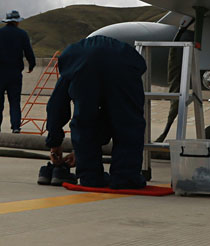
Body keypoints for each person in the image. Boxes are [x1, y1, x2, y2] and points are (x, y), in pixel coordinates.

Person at [45, 34, 147, 189]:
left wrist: (55, 142)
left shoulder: (75, 61)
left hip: (85, 65)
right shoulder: (120, 56)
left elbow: (56, 106)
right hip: (123, 66)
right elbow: (122, 117)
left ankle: (90, 177)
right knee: (128, 123)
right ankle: (125, 177)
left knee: (84, 120)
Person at [0, 9, 37, 133]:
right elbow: (28, 52)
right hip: (15, 73)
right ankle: (15, 126)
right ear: (17, 22)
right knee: (15, 101)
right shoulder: (22, 34)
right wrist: (31, 65)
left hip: (0, 73)